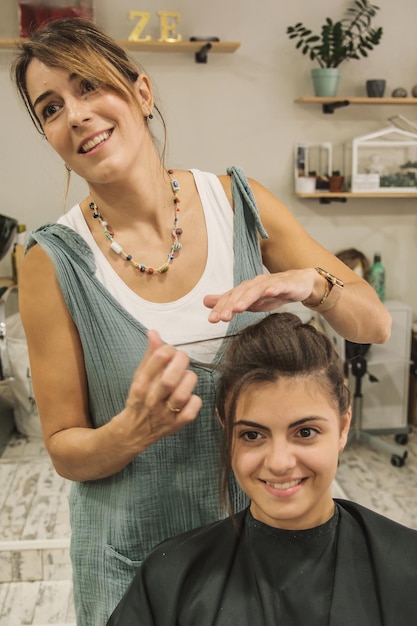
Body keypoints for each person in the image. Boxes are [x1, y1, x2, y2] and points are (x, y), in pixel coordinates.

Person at [12, 17, 391, 625]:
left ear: (140, 91)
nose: (75, 114)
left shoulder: (241, 204)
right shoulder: (52, 261)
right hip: (133, 564)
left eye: (88, 86)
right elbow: (65, 450)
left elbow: (373, 323)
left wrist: (315, 286)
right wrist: (132, 429)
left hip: (259, 554)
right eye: (51, 107)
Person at [107, 312, 417, 626]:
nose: (279, 462)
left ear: (342, 427)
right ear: (226, 431)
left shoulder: (407, 568)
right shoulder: (171, 579)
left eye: (305, 432)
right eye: (252, 435)